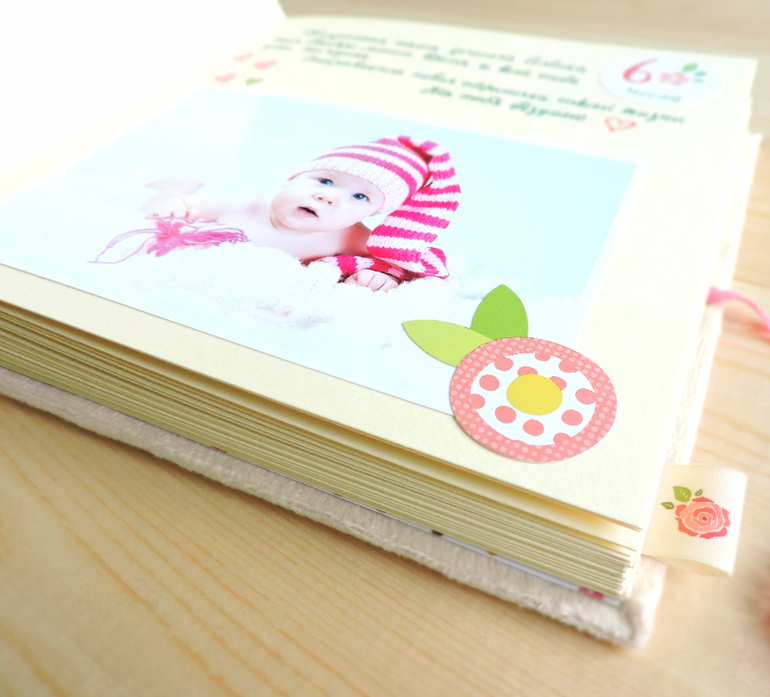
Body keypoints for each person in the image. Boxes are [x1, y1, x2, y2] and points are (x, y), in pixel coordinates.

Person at [94, 136, 461, 292]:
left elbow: (397, 263)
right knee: (149, 215)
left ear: (375, 213)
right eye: (325, 180)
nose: (327, 196)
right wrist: (181, 207)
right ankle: (179, 187)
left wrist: (382, 277)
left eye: (360, 196)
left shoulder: (349, 236)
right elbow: (183, 216)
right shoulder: (247, 203)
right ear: (293, 178)